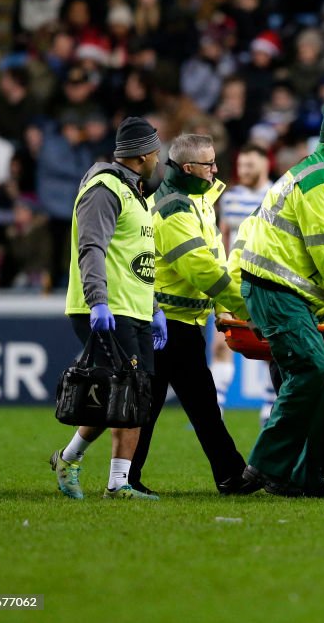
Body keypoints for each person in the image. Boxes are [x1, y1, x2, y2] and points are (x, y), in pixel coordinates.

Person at [238, 96, 324, 497]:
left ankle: (308, 474)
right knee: (313, 369)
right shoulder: (322, 181)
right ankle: (265, 467)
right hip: (277, 290)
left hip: (290, 293)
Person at [127, 134, 258, 497]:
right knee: (193, 404)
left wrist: (222, 309)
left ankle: (117, 473)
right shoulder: (175, 208)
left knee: (161, 406)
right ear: (188, 168)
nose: (216, 169)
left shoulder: (196, 200)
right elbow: (201, 269)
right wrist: (248, 309)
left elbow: (213, 260)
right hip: (168, 323)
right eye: (209, 164)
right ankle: (230, 475)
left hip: (179, 322)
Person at [50, 116, 166, 500]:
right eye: (157, 149)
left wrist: (154, 307)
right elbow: (92, 248)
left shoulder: (135, 194)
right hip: (106, 309)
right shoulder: (104, 190)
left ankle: (74, 461)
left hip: (133, 309)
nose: (160, 156)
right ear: (145, 154)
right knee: (127, 391)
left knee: (133, 394)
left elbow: (137, 257)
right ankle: (115, 482)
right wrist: (98, 301)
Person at [212, 144, 275, 425]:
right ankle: (216, 409)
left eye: (250, 165)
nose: (244, 171)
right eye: (241, 166)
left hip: (265, 281)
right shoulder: (231, 197)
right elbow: (224, 236)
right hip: (234, 279)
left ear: (264, 165)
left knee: (269, 346)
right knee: (221, 343)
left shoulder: (277, 195)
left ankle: (269, 408)